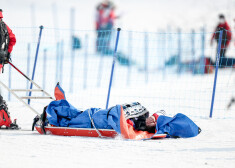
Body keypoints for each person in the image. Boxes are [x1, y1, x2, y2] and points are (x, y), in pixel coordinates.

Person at [0, 9, 18, 129]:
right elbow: (13, 39)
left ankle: (4, 119)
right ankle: (4, 119)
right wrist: (7, 54)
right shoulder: (3, 25)